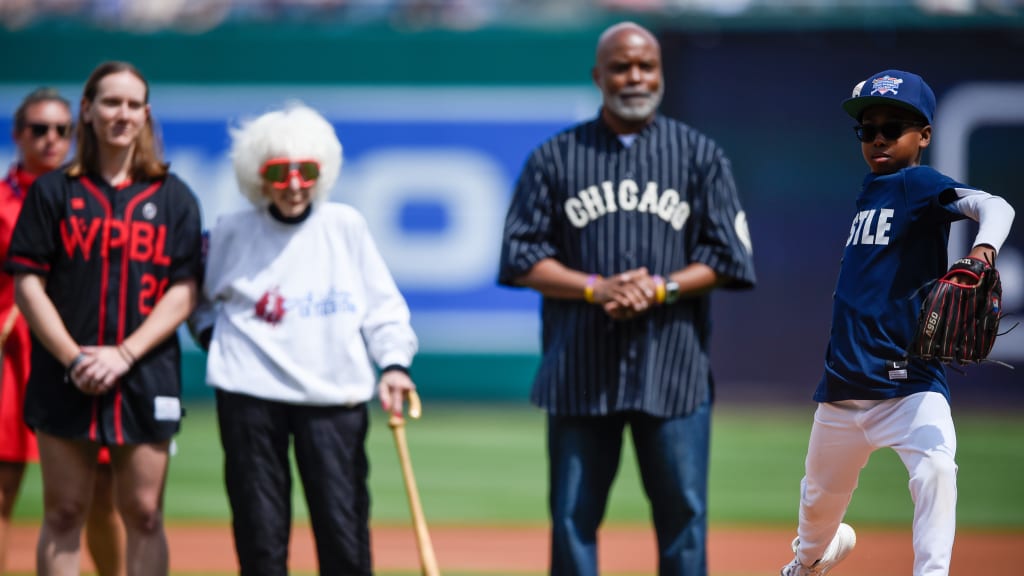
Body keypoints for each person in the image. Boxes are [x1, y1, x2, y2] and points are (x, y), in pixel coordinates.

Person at [497, 22, 756, 576]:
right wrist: (597, 287)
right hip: (580, 369)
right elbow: (519, 257)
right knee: (572, 518)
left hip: (674, 370)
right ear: (598, 76)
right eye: (621, 67)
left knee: (683, 517)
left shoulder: (699, 155)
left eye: (646, 66)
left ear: (660, 72)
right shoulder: (555, 158)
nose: (634, 77)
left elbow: (730, 257)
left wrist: (661, 288)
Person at [779, 69, 1015, 576]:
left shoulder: (917, 183)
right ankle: (809, 562)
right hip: (843, 387)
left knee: (935, 469)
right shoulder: (874, 188)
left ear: (924, 135)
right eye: (869, 128)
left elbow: (994, 205)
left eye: (895, 126)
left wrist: (982, 251)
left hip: (909, 382)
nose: (880, 137)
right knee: (817, 510)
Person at [194, 103, 418, 575]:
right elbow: (199, 300)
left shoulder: (345, 226)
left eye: (305, 171)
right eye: (279, 172)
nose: (294, 184)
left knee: (344, 530)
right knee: (260, 534)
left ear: (323, 171)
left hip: (333, 396)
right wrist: (216, 338)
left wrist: (394, 363)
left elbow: (383, 307)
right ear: (258, 176)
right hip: (249, 397)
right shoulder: (232, 231)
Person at [5, 62, 203, 575]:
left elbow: (184, 290)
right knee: (65, 511)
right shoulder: (53, 192)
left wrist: (124, 354)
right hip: (64, 373)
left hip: (144, 371)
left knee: (143, 513)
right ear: (87, 111)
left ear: (146, 114)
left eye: (133, 104)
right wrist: (74, 357)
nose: (122, 114)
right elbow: (28, 284)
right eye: (111, 102)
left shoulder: (174, 196)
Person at [0, 87, 126, 576]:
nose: (51, 140)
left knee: (98, 494)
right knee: (4, 487)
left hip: (77, 354)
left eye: (62, 130)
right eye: (39, 130)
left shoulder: (86, 195)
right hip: (13, 356)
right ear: (19, 135)